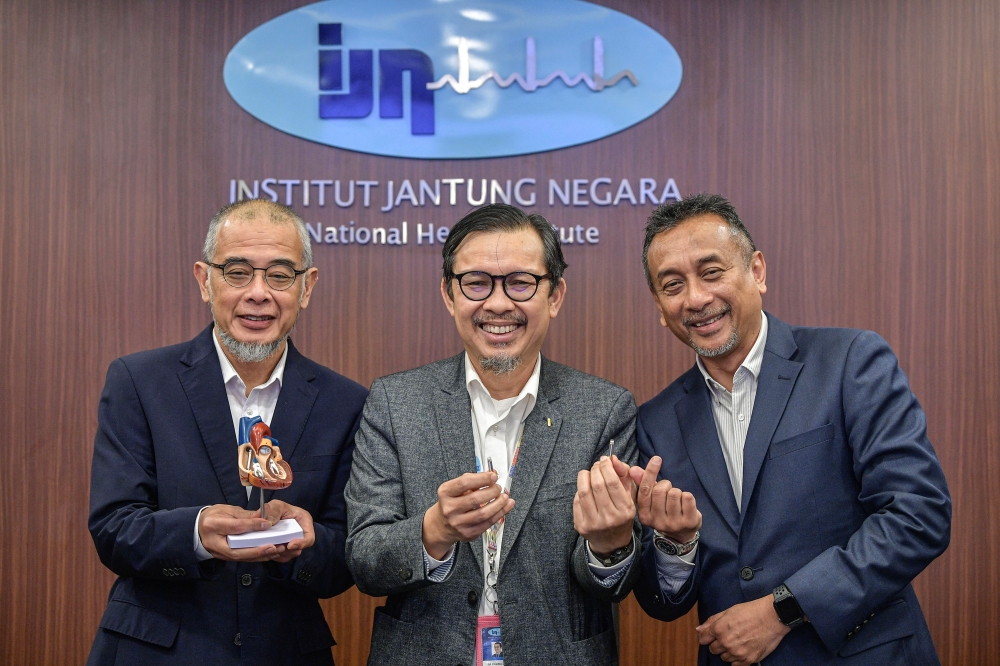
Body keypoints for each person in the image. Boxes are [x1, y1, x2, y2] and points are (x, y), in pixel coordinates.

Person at [629, 194, 951, 666]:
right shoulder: (657, 422)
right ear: (660, 306)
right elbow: (664, 602)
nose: (696, 298)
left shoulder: (849, 362)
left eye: (712, 272)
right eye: (673, 284)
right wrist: (676, 547)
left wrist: (783, 609)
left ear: (757, 271)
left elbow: (918, 515)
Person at [345, 204, 641, 666]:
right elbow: (364, 560)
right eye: (477, 283)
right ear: (449, 295)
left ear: (555, 295)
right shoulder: (394, 402)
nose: (498, 304)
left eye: (520, 282)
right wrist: (434, 531)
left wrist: (610, 545)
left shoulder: (604, 410)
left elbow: (615, 584)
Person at [87, 200, 367, 665]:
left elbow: (347, 556)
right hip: (157, 650)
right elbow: (114, 528)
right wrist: (197, 532)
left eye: (280, 275)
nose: (258, 293)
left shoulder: (346, 402)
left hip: (285, 652)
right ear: (204, 279)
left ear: (306, 287)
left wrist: (307, 540)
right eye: (237, 272)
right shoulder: (139, 381)